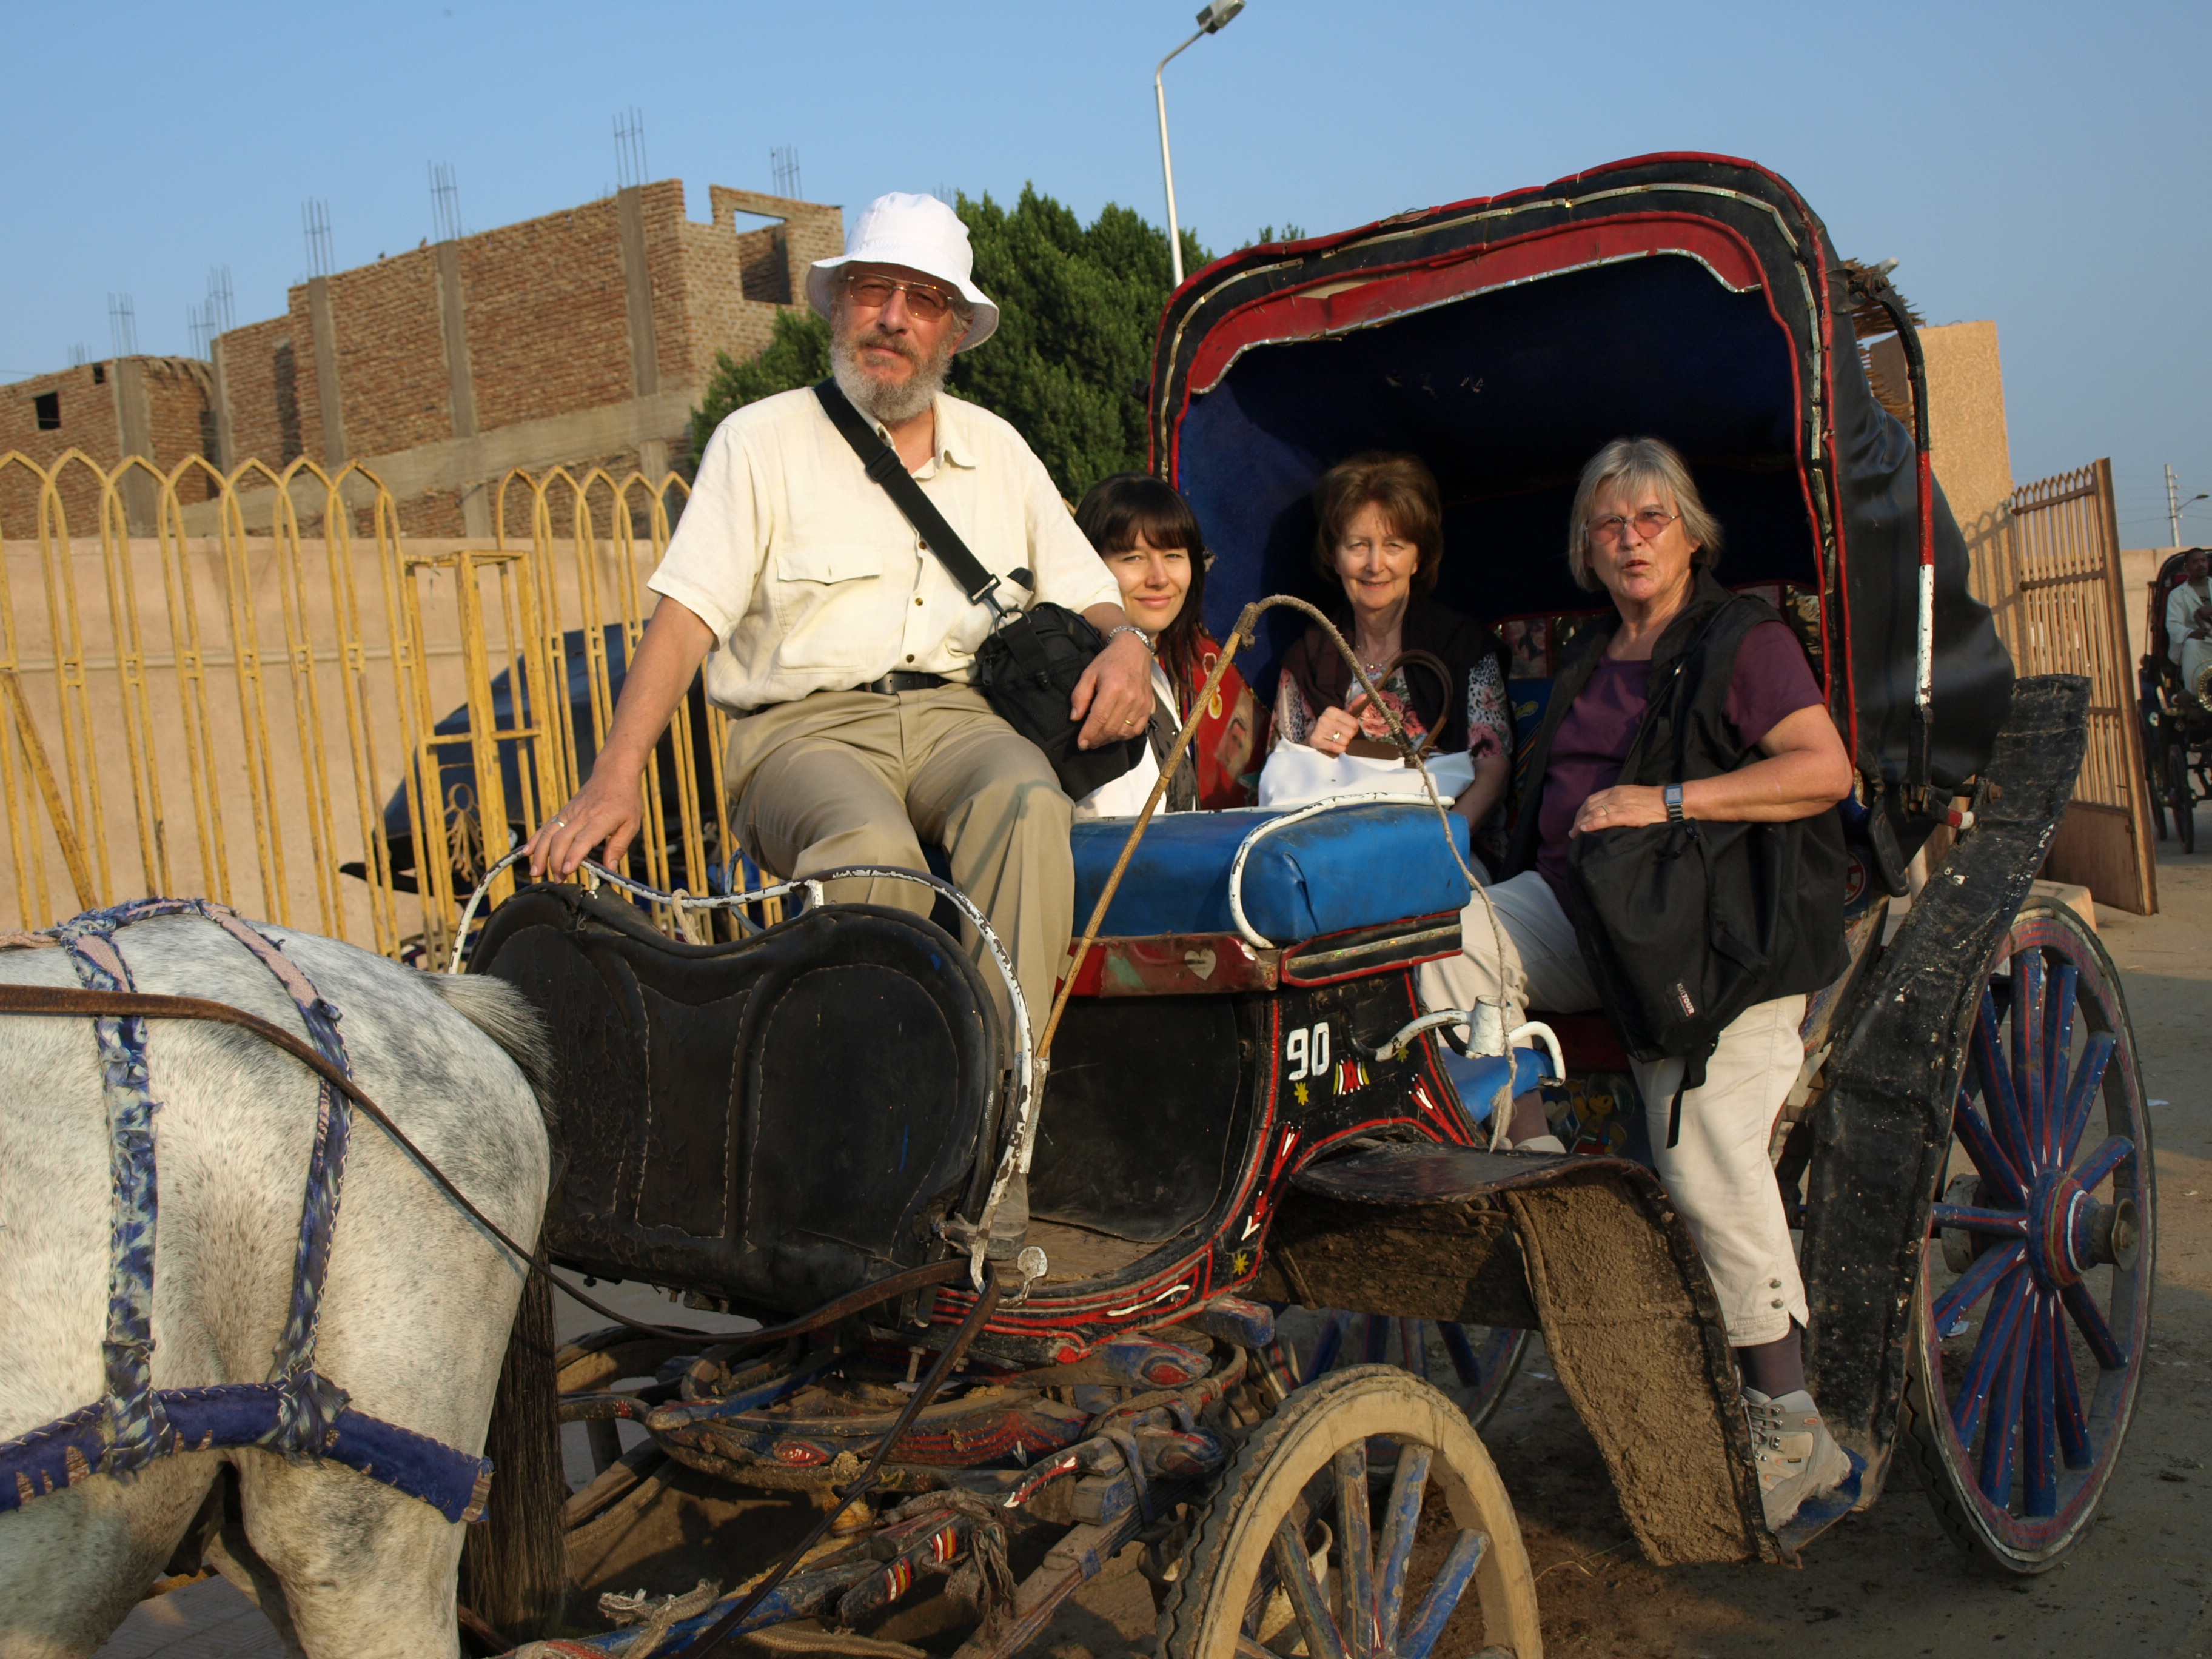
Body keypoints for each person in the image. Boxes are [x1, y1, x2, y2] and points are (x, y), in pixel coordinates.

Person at [523, 192, 1155, 1044]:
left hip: (958, 718)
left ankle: (1004, 1117)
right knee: (873, 851)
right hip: (799, 734)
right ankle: (889, 1126)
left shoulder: (997, 447)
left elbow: (1087, 586)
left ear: (955, 331)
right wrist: (616, 774)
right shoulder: (760, 441)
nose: (891, 318)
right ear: (839, 305)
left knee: (1025, 802)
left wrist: (1125, 643)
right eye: (871, 290)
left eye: (922, 299)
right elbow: (686, 619)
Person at [1418, 435, 1855, 1529]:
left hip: (1715, 933)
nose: (1627, 539)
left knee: (1702, 1146)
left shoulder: (1741, 642)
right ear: (1583, 548)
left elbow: (1822, 768)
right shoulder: (1582, 657)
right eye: (1606, 525)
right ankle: (1537, 1167)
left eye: (1648, 519)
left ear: (1690, 533)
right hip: (1583, 915)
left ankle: (1792, 1423)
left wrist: (1667, 802)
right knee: (1436, 933)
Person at [1270, 453, 1512, 865]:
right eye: (1358, 545)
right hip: (1335, 857)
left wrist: (1442, 846)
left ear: (1418, 557)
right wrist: (1313, 750)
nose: (1375, 565)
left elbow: (1493, 768)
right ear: (1334, 555)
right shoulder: (1308, 657)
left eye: (1393, 546)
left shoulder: (1462, 646)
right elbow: (1280, 778)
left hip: (1446, 853)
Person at [1069, 474, 1265, 818]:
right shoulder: (1082, 679)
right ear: (1089, 566)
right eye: (1133, 558)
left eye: (1174, 555)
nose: (1160, 578)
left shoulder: (1159, 666)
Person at [2166, 546, 2212, 696]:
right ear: (2187, 567)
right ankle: (2196, 698)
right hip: (2198, 643)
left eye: (2203, 561)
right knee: (2192, 646)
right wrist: (2191, 633)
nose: (2201, 565)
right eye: (2195, 562)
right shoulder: (2177, 595)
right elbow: (2173, 625)